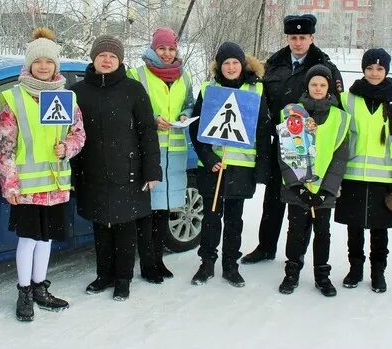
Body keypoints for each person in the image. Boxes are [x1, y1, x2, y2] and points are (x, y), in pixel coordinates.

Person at [0, 28, 86, 321]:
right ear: (30, 64)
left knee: (46, 239)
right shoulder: (15, 98)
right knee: (29, 239)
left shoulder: (66, 98)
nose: (44, 66)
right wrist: (10, 183)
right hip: (26, 186)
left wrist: (67, 148)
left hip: (55, 183)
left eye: (49, 61)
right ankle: (24, 292)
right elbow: (5, 146)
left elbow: (78, 134)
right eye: (38, 61)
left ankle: (40, 287)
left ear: (56, 65)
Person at [243, 14, 343, 264]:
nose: (297, 42)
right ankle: (266, 246)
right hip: (279, 141)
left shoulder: (325, 67)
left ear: (312, 38)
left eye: (303, 37)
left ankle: (296, 255)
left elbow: (336, 109)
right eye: (293, 37)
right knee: (273, 198)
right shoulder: (274, 65)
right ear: (287, 38)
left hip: (310, 146)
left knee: (302, 202)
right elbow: (260, 98)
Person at [70, 35, 161, 301]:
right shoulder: (78, 92)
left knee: (124, 226)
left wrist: (152, 170)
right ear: (93, 59)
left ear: (119, 60)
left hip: (128, 169)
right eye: (102, 55)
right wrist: (72, 172)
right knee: (101, 224)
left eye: (112, 56)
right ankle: (104, 275)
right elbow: (67, 133)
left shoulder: (133, 90)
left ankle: (123, 279)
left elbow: (147, 131)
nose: (107, 60)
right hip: (92, 169)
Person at [189, 42, 271, 288]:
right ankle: (206, 263)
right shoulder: (209, 89)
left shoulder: (255, 90)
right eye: (226, 63)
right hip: (215, 167)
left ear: (242, 64)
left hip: (242, 168)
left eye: (235, 62)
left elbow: (263, 130)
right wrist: (209, 158)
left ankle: (230, 265)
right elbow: (196, 127)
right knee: (211, 217)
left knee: (235, 219)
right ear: (219, 66)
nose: (231, 67)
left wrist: (261, 168)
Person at [334, 48, 392, 293]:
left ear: (386, 70)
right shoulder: (348, 99)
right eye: (369, 68)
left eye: (379, 69)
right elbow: (339, 137)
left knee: (380, 230)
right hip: (352, 175)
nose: (374, 73)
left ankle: (378, 272)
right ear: (363, 69)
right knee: (354, 227)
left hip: (383, 178)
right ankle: (355, 268)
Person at [128, 27, 194, 283]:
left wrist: (185, 115)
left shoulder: (184, 76)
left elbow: (188, 102)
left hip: (175, 154)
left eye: (171, 49)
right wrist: (152, 119)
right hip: (148, 152)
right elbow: (130, 108)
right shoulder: (138, 74)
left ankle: (158, 260)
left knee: (163, 212)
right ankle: (147, 264)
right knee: (147, 213)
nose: (167, 54)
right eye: (162, 48)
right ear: (153, 49)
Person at [277, 65, 350, 297]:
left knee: (323, 232)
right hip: (298, 188)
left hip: (324, 192)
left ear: (328, 87)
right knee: (295, 231)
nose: (317, 88)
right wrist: (297, 186)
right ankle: (292, 272)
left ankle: (322, 275)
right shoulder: (291, 114)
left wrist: (327, 189)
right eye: (313, 84)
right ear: (307, 86)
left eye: (322, 84)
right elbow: (285, 154)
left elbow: (340, 157)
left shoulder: (340, 118)